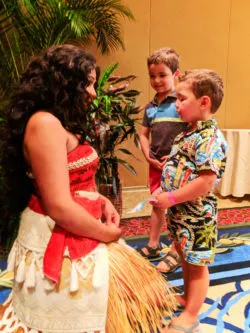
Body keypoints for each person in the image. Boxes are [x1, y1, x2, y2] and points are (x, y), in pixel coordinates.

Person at [0, 44, 177, 333]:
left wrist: (101, 201)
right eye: (88, 85)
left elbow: (74, 179)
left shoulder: (59, 120)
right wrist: (106, 234)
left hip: (79, 220)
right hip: (55, 230)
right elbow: (58, 204)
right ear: (64, 84)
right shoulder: (44, 124)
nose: (94, 94)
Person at [151, 69, 228, 332]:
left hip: (198, 217)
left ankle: (192, 313)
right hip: (181, 215)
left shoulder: (209, 138)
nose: (176, 104)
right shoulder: (189, 132)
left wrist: (170, 197)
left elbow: (206, 181)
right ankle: (187, 298)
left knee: (197, 266)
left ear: (204, 102)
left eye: (182, 99)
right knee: (186, 257)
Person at [138, 47, 187, 272]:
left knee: (178, 208)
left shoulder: (182, 102)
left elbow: (191, 132)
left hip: (179, 167)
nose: (156, 80)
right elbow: (143, 134)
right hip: (156, 166)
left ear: (176, 74)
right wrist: (147, 155)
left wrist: (177, 155)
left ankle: (176, 250)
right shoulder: (150, 107)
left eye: (162, 75)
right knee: (157, 205)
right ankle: (154, 243)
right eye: (152, 76)